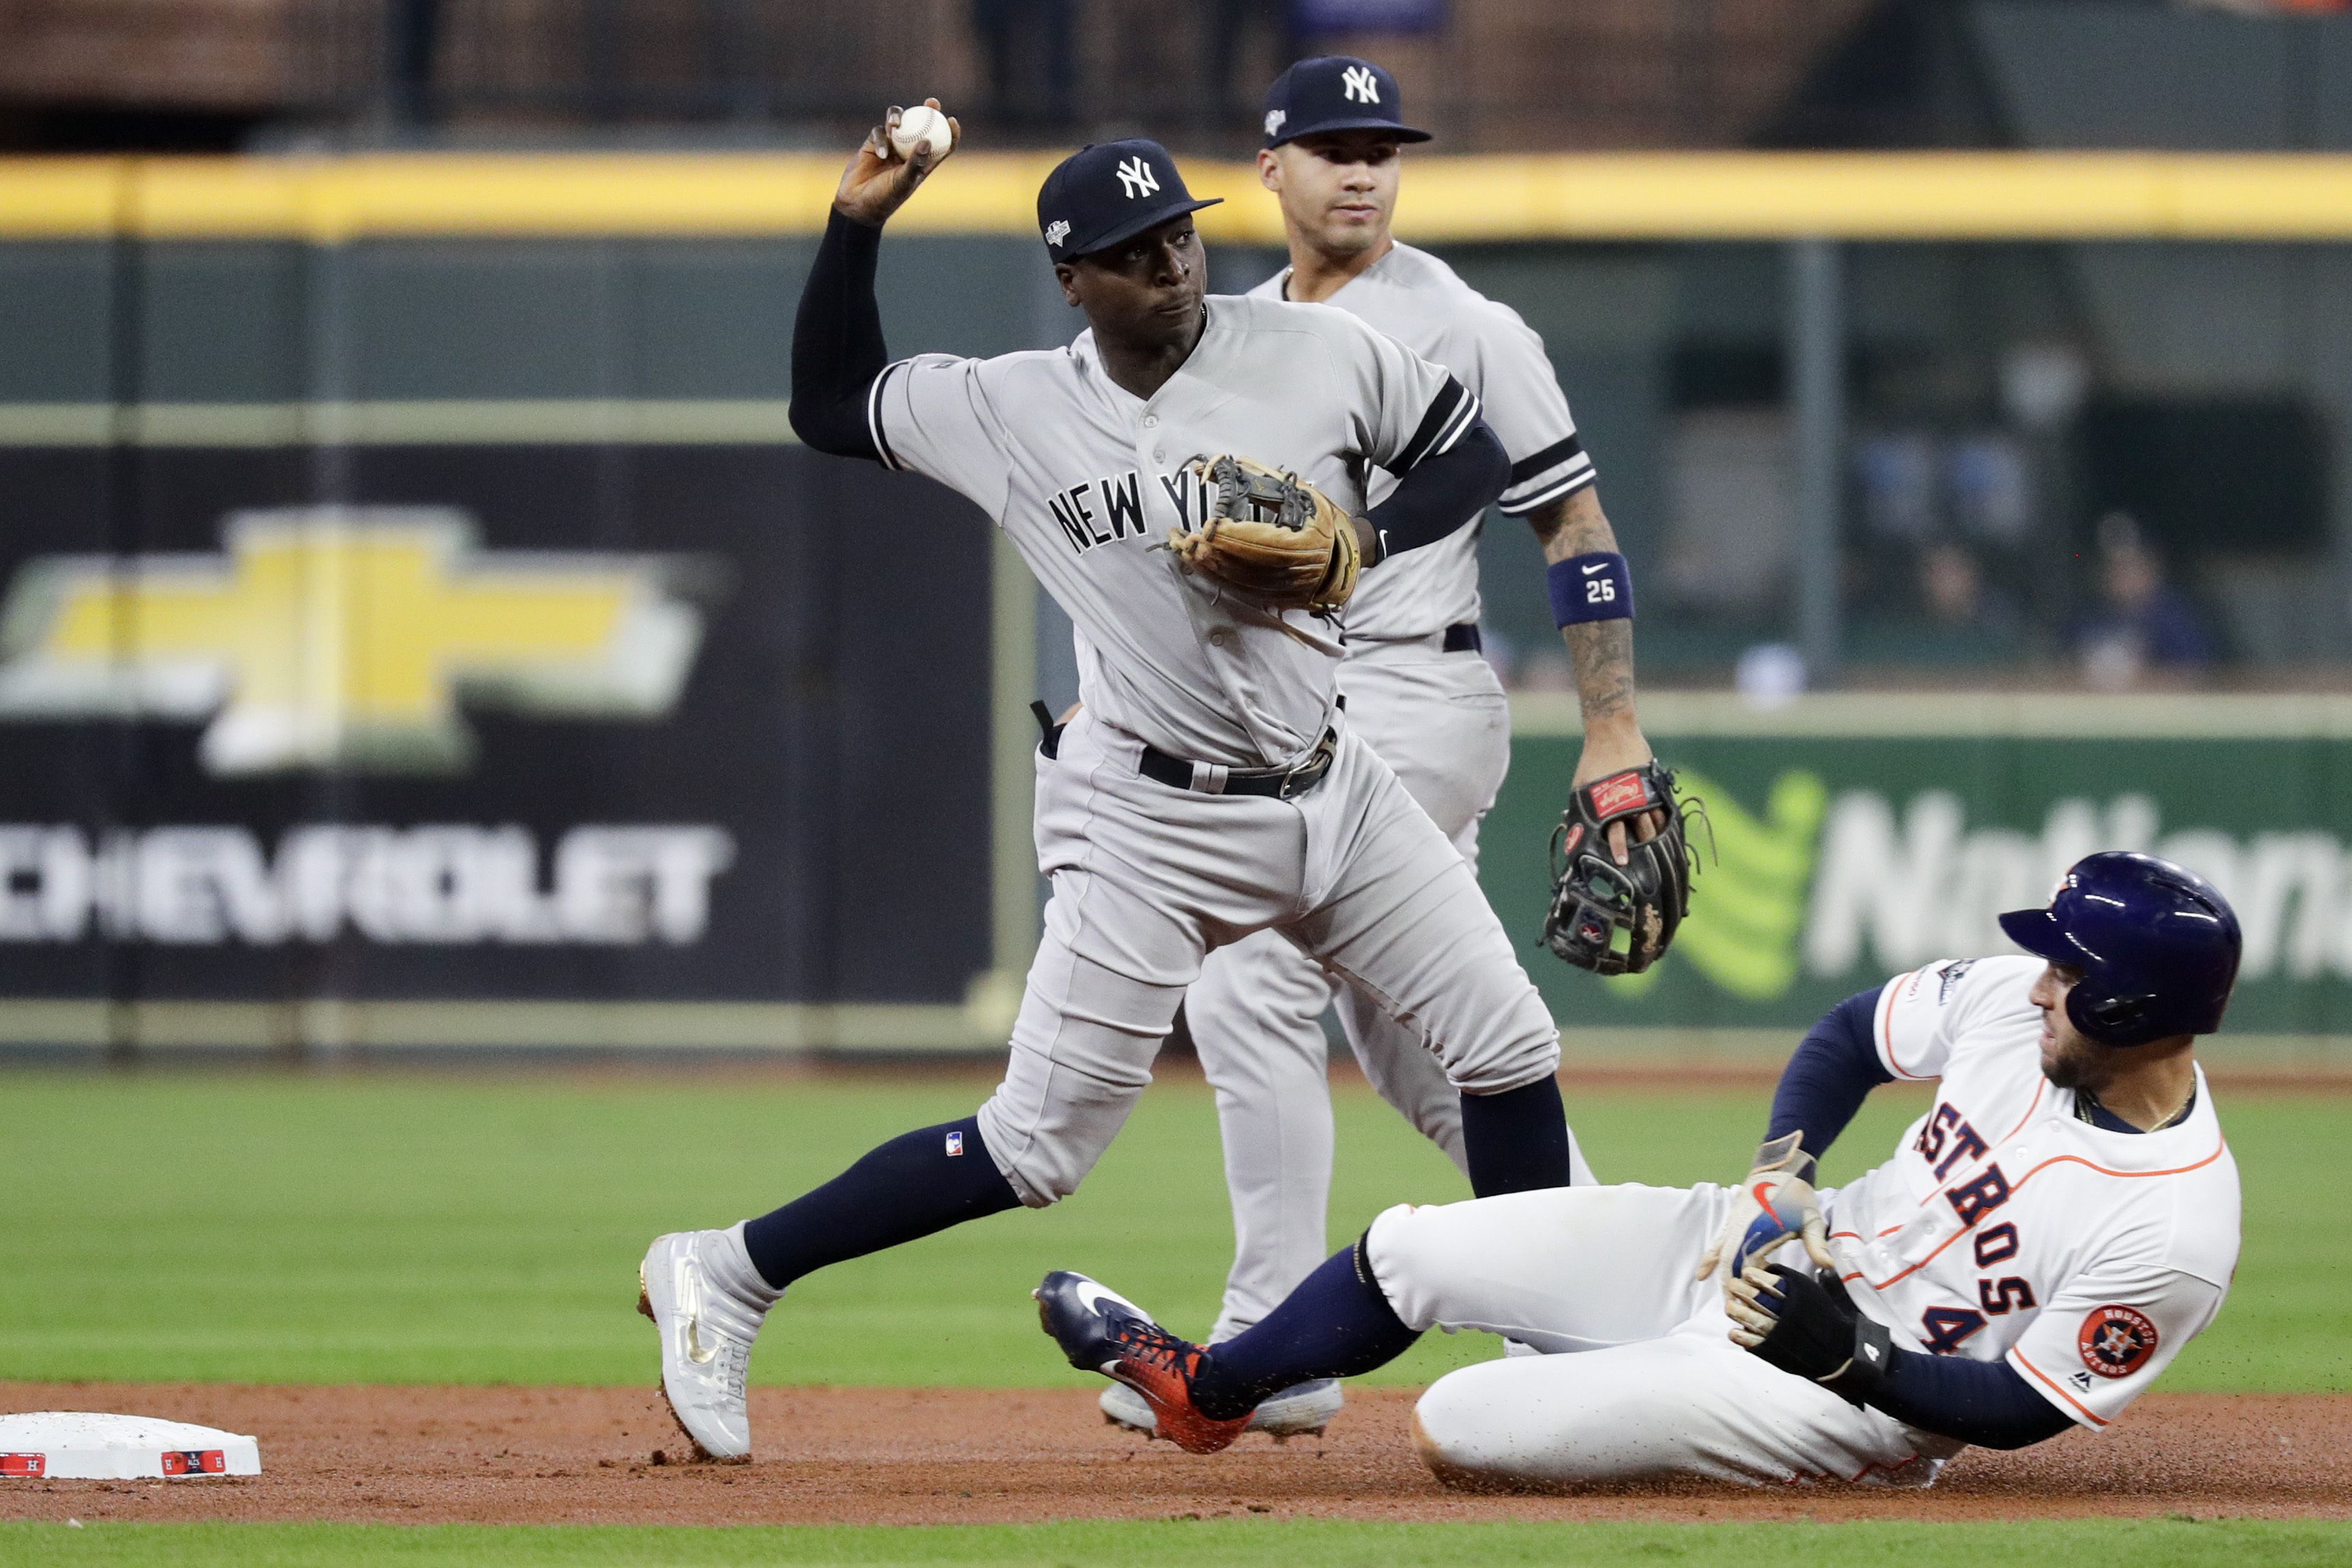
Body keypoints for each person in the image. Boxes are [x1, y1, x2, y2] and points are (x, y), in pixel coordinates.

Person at [636, 103, 1589, 1461]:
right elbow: (827, 404)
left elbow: (1471, 458)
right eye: (1135, 253)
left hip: (1334, 784)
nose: (1173, 267)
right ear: (1072, 278)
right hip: (1147, 813)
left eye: (1181, 237)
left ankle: (1550, 1351)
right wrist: (856, 225)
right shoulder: (1013, 405)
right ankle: (726, 1266)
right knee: (1037, 1150)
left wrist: (1361, 539)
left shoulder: (1319, 349)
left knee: (1510, 1053)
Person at [1096, 55, 1656, 1444]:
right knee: (1428, 1050)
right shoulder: (1234, 333)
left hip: (1408, 695)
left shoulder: (1465, 324)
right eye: (1331, 145)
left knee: (1250, 977)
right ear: (1269, 169)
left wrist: (1613, 725)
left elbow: (1572, 526)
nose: (1360, 169)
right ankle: (1619, 1311)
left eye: (1381, 147)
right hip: (1290, 703)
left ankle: (1271, 1343)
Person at [1040, 851, 2242, 1487]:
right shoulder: (2008, 1008)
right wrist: (1782, 1180)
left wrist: (1856, 1357)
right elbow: (1845, 1039)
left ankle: (1636, 1385)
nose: (2039, 982)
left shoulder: (2179, 1222)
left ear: (2137, 1005)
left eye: (2068, 974)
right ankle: (1212, 1393)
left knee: (1463, 1421)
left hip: (1834, 1399)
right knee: (1409, 1246)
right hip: (1744, 1243)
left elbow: (2032, 1407)